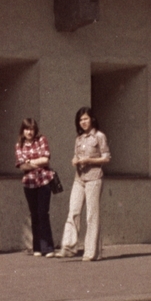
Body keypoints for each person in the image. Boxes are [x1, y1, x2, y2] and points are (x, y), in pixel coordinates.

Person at [56, 107, 110, 261]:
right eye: (81, 120)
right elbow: (76, 155)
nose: (83, 122)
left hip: (94, 178)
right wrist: (75, 160)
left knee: (91, 215)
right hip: (79, 178)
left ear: (92, 119)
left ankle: (91, 252)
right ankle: (68, 246)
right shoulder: (78, 139)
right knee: (73, 210)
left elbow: (106, 158)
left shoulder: (100, 136)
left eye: (86, 119)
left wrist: (89, 161)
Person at [14, 116, 56, 256]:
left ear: (35, 129)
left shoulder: (41, 140)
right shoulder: (19, 145)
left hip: (44, 181)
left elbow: (46, 159)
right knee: (35, 215)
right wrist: (37, 162)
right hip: (29, 184)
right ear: (23, 131)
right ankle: (37, 248)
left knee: (43, 213)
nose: (29, 132)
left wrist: (30, 161)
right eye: (26, 129)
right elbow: (21, 166)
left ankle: (48, 248)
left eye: (31, 128)